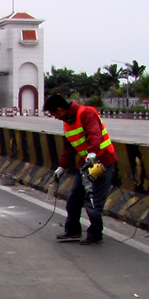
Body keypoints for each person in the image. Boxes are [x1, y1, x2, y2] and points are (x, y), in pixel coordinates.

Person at [43, 94, 118, 245]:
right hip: (86, 165)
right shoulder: (67, 123)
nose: (55, 118)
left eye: (54, 114)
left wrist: (92, 151)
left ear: (60, 109)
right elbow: (69, 148)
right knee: (74, 199)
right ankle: (73, 230)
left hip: (101, 163)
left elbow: (95, 134)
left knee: (92, 199)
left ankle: (95, 234)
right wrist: (62, 167)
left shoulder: (86, 113)